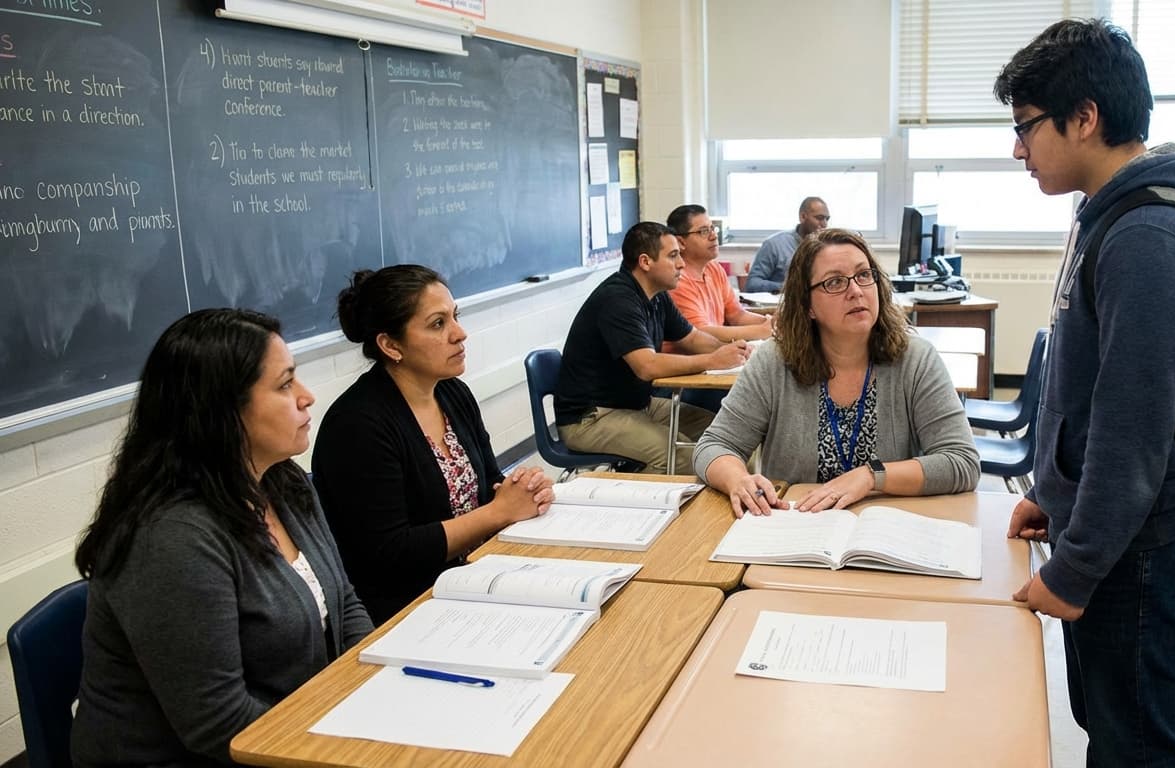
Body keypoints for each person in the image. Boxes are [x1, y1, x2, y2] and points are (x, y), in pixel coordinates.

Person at [995, 19, 1175, 765]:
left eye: (1027, 126)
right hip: (1121, 535)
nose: (1018, 148)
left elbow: (1133, 432)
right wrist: (1058, 492)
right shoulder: (1110, 221)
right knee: (1113, 730)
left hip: (1147, 548)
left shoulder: (1147, 238)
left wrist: (1075, 566)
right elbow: (1093, 393)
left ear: (1086, 117)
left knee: (1139, 749)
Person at [70, 309, 373, 767]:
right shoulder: (172, 538)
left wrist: (378, 684)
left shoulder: (283, 482)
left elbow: (344, 602)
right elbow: (218, 723)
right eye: (285, 384)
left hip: (290, 729)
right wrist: (336, 748)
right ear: (223, 411)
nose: (307, 397)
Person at [312, 265, 554, 624]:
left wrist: (523, 492)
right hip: (410, 607)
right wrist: (500, 511)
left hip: (476, 577)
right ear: (391, 345)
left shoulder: (452, 393)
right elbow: (390, 552)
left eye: (455, 316)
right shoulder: (357, 425)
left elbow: (488, 484)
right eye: (438, 324)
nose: (460, 333)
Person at [694, 228, 980, 517]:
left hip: (882, 531)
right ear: (808, 306)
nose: (856, 290)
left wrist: (871, 476)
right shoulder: (774, 361)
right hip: (796, 529)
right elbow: (715, 445)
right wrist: (738, 479)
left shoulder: (915, 358)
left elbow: (961, 461)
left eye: (864, 275)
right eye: (835, 282)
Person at [556, 221, 751, 473]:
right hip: (592, 418)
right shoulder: (618, 299)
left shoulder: (657, 296)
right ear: (646, 262)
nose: (681, 263)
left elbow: (692, 339)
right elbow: (647, 366)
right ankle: (644, 507)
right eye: (673, 256)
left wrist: (736, 352)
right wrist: (714, 360)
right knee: (684, 459)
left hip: (637, 404)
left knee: (723, 434)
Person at [666, 204, 776, 347]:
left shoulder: (714, 269)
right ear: (681, 242)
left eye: (713, 228)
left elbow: (737, 315)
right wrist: (762, 330)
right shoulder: (677, 280)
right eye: (704, 231)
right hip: (687, 362)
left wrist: (771, 322)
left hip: (714, 355)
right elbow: (700, 333)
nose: (713, 236)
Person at [745, 196, 832, 292]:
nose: (824, 224)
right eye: (819, 218)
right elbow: (752, 284)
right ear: (803, 217)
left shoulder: (826, 247)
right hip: (783, 304)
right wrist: (789, 288)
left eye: (827, 219)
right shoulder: (774, 244)